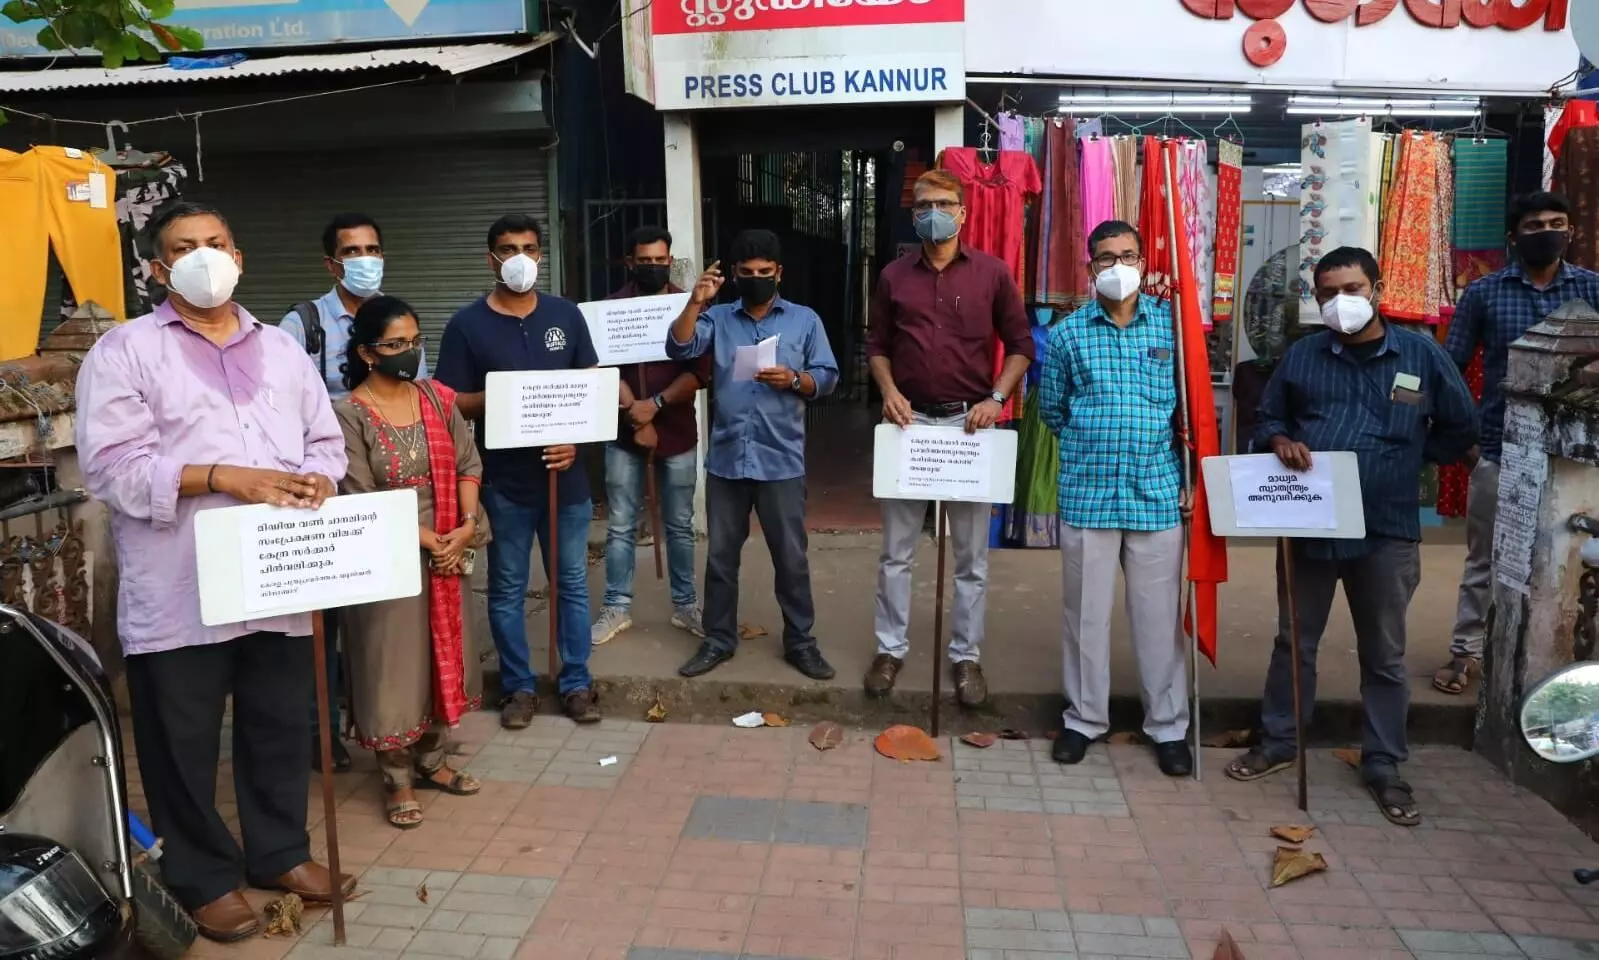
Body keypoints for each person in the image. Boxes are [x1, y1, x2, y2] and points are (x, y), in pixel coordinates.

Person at [75, 201, 353, 941]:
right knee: (182, 737)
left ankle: (280, 853)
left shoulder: (282, 350)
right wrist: (222, 476)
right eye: (184, 247)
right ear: (159, 267)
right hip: (182, 585)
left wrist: (321, 479)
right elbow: (112, 468)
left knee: (278, 725)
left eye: (217, 242)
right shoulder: (126, 352)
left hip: (280, 574)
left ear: (239, 253)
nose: (205, 257)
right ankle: (202, 875)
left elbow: (327, 439)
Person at [1226, 247, 1476, 826]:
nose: (1342, 302)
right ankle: (1281, 741)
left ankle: (1384, 762)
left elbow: (1460, 426)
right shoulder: (1303, 357)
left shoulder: (1420, 355)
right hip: (1311, 523)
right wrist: (1278, 443)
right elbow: (1267, 419)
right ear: (1316, 299)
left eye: (1352, 289)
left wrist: (1409, 460)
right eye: (1328, 293)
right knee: (1295, 640)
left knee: (1385, 653)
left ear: (1377, 289)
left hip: (1386, 527)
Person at [864, 169, 1033, 706]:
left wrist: (997, 400)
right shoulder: (894, 276)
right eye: (921, 205)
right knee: (896, 553)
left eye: (941, 203)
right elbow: (876, 344)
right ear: (912, 215)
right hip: (907, 424)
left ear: (963, 213)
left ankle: (966, 657)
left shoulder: (992, 274)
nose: (931, 213)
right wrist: (888, 390)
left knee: (971, 559)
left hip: (969, 428)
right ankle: (889, 649)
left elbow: (1022, 345)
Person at [1039, 220, 1193, 777]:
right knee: (1085, 617)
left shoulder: (1173, 328)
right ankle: (1083, 719)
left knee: (1157, 619)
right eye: (1106, 257)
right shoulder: (1068, 334)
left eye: (1128, 255)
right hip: (1089, 494)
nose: (1118, 266)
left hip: (1154, 494)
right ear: (1090, 269)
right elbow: (1053, 411)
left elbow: (1189, 412)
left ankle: (1168, 726)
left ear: (1145, 264)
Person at [435, 214, 601, 727]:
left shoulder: (566, 315)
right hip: (504, 483)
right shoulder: (467, 325)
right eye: (508, 250)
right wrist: (507, 399)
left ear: (541, 256)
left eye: (529, 248)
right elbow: (450, 403)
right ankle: (519, 687)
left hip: (566, 482)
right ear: (491, 260)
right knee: (507, 586)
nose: (520, 259)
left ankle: (575, 682)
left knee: (570, 582)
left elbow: (590, 387)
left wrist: (573, 438)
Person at [1434, 192, 1599, 696]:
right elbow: (1449, 371)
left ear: (1570, 231)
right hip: (1501, 450)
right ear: (1514, 236)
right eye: (1533, 225)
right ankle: (1467, 652)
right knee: (1486, 558)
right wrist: (1468, 444)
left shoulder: (1593, 290)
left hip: (1578, 459)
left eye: (1556, 223)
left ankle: (1565, 654)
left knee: (1577, 556)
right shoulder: (1484, 294)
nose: (1546, 231)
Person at [280, 213, 425, 773]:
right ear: (332, 263)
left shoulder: (399, 318)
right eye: (352, 250)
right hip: (326, 491)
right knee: (326, 622)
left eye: (373, 248)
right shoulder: (303, 324)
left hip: (389, 491)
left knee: (380, 618)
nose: (365, 259)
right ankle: (322, 733)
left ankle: (378, 721)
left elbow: (420, 397)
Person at [335, 295, 485, 830]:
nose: (409, 353)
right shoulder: (348, 413)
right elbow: (359, 492)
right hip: (387, 553)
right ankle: (395, 778)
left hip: (447, 547)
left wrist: (464, 528)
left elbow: (468, 462)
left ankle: (432, 760)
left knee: (444, 649)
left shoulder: (438, 399)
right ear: (368, 353)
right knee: (391, 663)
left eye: (415, 342)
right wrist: (426, 537)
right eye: (395, 345)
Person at [666, 228, 839, 680]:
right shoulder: (718, 318)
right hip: (728, 458)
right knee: (722, 555)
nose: (757, 279)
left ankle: (801, 643)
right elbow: (679, 346)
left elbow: (828, 375)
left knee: (791, 557)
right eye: (747, 273)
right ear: (734, 275)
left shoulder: (804, 321)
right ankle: (718, 639)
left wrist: (796, 380)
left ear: (779, 273)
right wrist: (695, 300)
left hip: (780, 457)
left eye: (765, 272)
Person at [592, 226, 711, 646]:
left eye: (661, 260)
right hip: (624, 436)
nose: (654, 267)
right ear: (630, 263)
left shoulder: (689, 307)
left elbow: (699, 372)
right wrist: (637, 417)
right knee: (621, 523)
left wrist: (656, 406)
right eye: (645, 261)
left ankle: (686, 606)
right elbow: (600, 367)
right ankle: (616, 607)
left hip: (677, 433)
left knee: (679, 524)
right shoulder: (609, 309)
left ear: (670, 260)